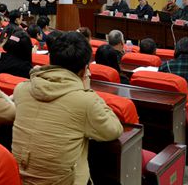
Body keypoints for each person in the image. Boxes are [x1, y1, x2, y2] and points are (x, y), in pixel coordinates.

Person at [12, 31, 123, 185]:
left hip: (19, 179)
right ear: (84, 70)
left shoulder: (21, 89)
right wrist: (87, 91)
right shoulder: (85, 101)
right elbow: (114, 129)